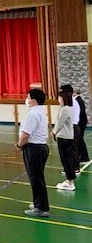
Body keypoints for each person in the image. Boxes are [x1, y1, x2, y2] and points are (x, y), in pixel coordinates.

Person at [17, 88, 50, 217]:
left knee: (36, 179)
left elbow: (25, 134)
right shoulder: (40, 111)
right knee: (37, 178)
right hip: (40, 147)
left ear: (33, 101)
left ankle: (40, 208)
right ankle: (39, 203)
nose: (26, 99)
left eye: (28, 97)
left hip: (34, 148)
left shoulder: (33, 114)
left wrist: (19, 145)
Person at [52, 90, 77, 191]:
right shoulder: (69, 108)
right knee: (68, 159)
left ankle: (70, 182)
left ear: (62, 98)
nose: (58, 99)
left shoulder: (64, 109)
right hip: (68, 137)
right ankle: (69, 180)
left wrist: (54, 132)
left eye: (59, 97)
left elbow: (59, 123)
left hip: (64, 137)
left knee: (65, 160)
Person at [73, 87, 89, 164]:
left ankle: (84, 158)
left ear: (75, 93)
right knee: (79, 140)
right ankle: (82, 157)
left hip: (80, 123)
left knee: (80, 140)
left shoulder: (78, 100)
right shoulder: (77, 100)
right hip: (81, 122)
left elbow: (80, 113)